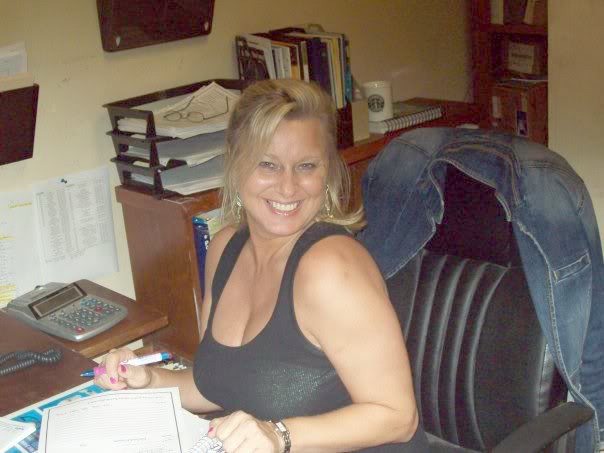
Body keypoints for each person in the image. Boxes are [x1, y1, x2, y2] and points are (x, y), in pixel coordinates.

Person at [96, 79, 429, 452]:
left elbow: (398, 418)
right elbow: (216, 387)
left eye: (306, 166)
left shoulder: (332, 268)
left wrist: (279, 435)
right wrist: (147, 381)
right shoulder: (224, 248)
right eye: (268, 165)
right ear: (236, 165)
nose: (288, 188)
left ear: (328, 172)